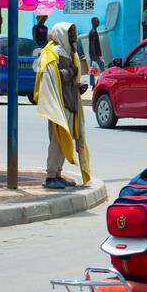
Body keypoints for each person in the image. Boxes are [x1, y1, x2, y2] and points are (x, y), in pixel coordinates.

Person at [34, 22, 91, 189]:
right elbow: (50, 77)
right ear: (61, 35)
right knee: (57, 142)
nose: (73, 37)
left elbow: (70, 79)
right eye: (70, 34)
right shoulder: (52, 54)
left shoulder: (70, 53)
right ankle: (51, 176)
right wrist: (70, 74)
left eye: (73, 34)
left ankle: (58, 173)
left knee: (66, 141)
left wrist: (77, 86)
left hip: (70, 103)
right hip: (58, 105)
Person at [86, 16, 104, 90]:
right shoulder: (93, 32)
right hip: (94, 54)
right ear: (93, 22)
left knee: (93, 69)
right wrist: (93, 56)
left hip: (95, 54)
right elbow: (92, 44)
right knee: (101, 67)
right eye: (96, 21)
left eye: (98, 21)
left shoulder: (94, 31)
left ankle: (93, 84)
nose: (98, 22)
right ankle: (96, 83)